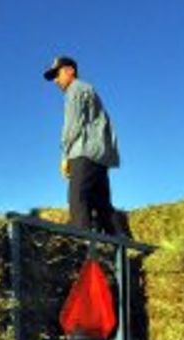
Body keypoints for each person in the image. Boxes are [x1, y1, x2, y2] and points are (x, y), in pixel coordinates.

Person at [44, 56, 128, 236]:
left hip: (83, 152)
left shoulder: (75, 89)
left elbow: (72, 124)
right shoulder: (88, 89)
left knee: (77, 198)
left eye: (57, 75)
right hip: (99, 155)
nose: (56, 81)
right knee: (102, 204)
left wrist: (65, 155)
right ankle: (123, 247)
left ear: (70, 71)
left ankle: (81, 246)